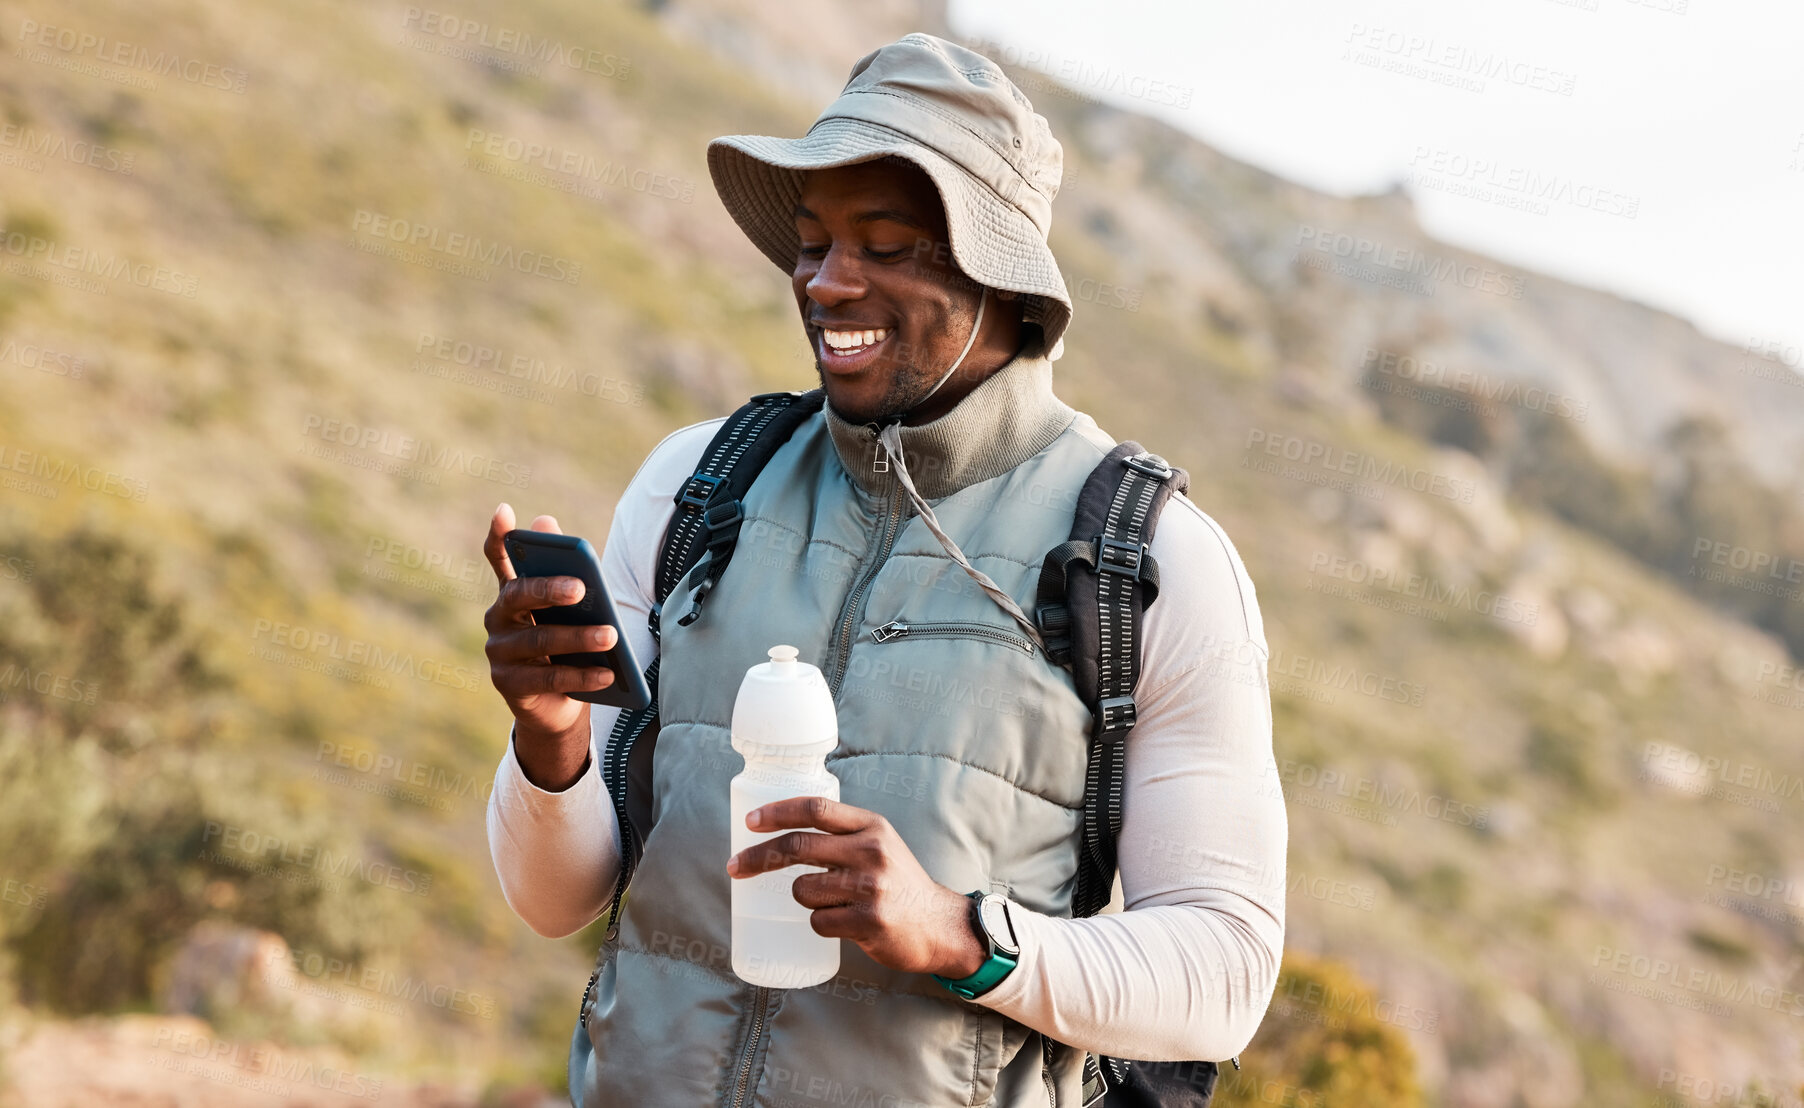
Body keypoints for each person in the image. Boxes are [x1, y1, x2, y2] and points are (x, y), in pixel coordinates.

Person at [480, 32, 1285, 1107]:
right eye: (810, 241)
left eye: (888, 242)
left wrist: (960, 936)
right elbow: (551, 899)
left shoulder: (1148, 563)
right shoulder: (695, 485)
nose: (826, 279)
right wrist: (550, 741)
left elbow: (1222, 974)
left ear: (1001, 274)